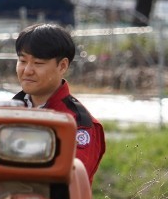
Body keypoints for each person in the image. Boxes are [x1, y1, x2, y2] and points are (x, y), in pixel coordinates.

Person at [11, 23, 105, 183]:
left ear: (62, 66)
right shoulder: (4, 111)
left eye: (38, 63)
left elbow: (71, 179)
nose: (27, 70)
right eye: (22, 61)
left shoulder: (79, 123)